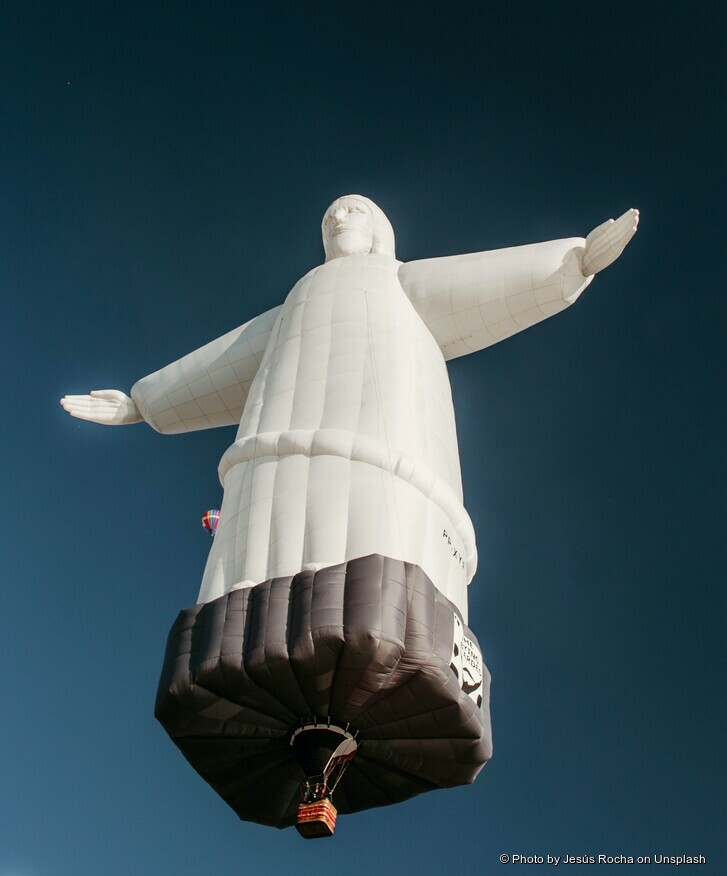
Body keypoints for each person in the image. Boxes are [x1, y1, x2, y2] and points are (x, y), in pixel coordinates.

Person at [61, 195, 638, 622]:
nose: (337, 221)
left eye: (353, 211)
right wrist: (144, 401)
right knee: (277, 552)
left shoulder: (400, 282)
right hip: (281, 461)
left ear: (380, 230)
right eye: (329, 218)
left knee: (366, 563)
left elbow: (486, 280)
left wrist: (575, 262)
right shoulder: (295, 303)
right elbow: (220, 362)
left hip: (380, 460)